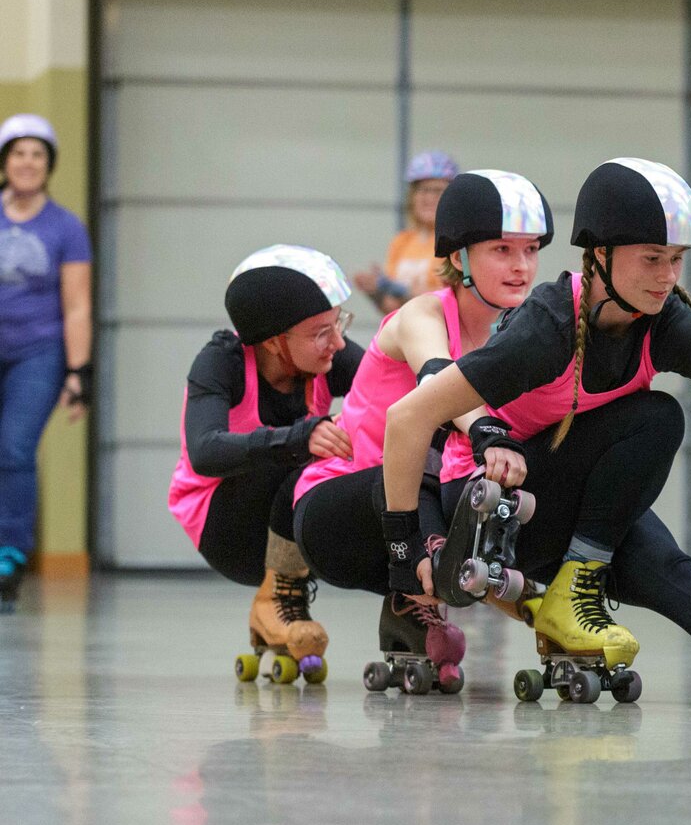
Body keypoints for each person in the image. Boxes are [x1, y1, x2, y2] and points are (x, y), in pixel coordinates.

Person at [380, 158, 691, 692]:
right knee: (658, 415)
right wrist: (403, 552)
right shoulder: (547, 327)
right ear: (599, 255)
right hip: (492, 518)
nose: (668, 277)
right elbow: (409, 416)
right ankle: (573, 588)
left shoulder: (666, 320)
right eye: (652, 259)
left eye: (676, 259)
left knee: (671, 572)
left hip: (572, 509)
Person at [293, 170, 552, 692]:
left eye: (531, 250)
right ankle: (424, 566)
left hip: (421, 501)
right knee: (431, 435)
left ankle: (413, 600)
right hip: (338, 509)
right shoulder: (422, 314)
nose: (522, 267)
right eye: (503, 249)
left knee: (502, 487)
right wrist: (488, 433)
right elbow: (437, 379)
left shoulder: (517, 329)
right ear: (458, 258)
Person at [168, 245, 361, 683]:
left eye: (339, 324)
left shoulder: (327, 355)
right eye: (320, 332)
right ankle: (276, 601)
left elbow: (392, 388)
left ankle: (407, 604)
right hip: (225, 525)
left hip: (288, 517)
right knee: (307, 454)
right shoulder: (222, 362)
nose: (338, 343)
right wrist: (299, 437)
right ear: (273, 341)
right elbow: (205, 452)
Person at [0, 114, 91, 601]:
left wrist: (78, 373)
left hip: (38, 351)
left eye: (37, 154)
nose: (27, 162)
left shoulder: (65, 228)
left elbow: (77, 306)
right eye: (19, 153)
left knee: (14, 448)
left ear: (49, 164)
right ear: (5, 161)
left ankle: (9, 552)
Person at [353, 150, 459, 314]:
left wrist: (396, 289)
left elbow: (446, 302)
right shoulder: (402, 241)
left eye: (438, 191)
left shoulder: (456, 242)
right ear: (412, 196)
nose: (429, 198)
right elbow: (391, 307)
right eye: (423, 190)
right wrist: (375, 292)